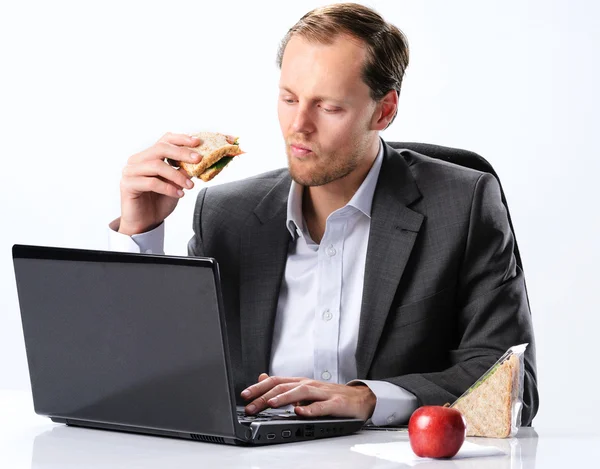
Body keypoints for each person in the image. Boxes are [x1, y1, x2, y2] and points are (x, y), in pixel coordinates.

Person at [109, 3, 538, 426]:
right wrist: (140, 231)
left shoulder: (461, 205)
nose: (299, 125)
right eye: (289, 98)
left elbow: (511, 387)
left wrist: (369, 398)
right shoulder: (225, 215)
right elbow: (146, 379)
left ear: (384, 110)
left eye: (328, 107)